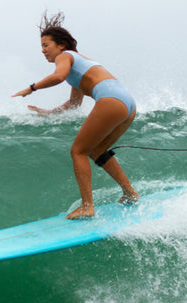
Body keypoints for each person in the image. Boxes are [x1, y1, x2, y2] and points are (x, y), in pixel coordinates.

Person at [13, 12, 139, 219]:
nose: (43, 51)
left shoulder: (66, 57)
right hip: (127, 103)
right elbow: (73, 104)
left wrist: (31, 88)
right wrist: (48, 113)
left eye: (46, 45)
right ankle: (130, 193)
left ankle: (87, 206)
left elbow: (58, 76)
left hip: (111, 99)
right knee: (97, 150)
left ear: (61, 45)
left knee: (78, 151)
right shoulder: (79, 67)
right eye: (41, 47)